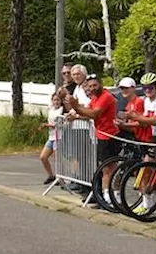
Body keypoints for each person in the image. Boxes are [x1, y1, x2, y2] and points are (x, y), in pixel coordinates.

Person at [66, 74, 118, 206]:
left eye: (95, 85)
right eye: (90, 86)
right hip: (101, 136)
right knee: (104, 168)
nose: (92, 88)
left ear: (100, 84)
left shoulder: (105, 96)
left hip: (109, 136)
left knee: (107, 168)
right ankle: (105, 195)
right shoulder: (96, 97)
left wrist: (77, 107)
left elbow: (94, 114)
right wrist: (77, 116)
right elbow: (88, 112)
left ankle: (109, 196)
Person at [36, 89, 67, 185]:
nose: (56, 102)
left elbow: (58, 124)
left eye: (58, 100)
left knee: (58, 158)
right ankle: (51, 175)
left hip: (59, 136)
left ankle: (61, 177)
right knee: (43, 157)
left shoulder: (61, 110)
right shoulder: (51, 110)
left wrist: (46, 125)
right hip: (51, 137)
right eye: (54, 100)